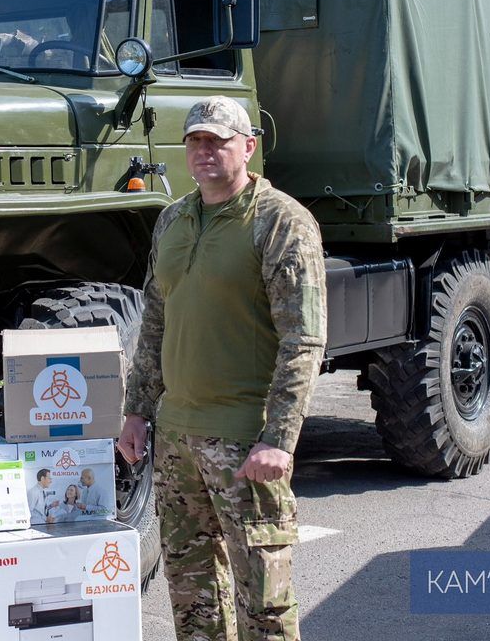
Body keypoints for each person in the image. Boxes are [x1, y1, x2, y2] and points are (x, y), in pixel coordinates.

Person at [118, 96, 327, 641]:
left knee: (265, 604)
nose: (204, 150)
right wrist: (137, 412)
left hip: (244, 441)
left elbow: (303, 340)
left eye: (218, 140)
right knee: (194, 600)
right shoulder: (173, 219)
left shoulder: (280, 221)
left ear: (248, 147)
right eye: (195, 140)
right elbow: (155, 321)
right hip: (177, 440)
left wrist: (279, 439)